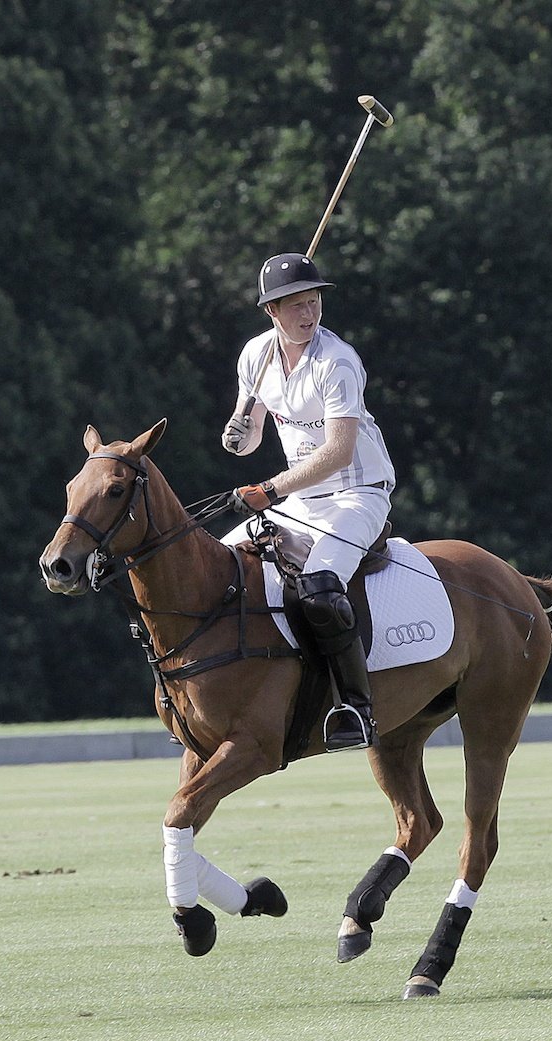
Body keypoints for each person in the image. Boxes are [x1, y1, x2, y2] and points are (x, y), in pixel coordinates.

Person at [221, 252, 395, 752]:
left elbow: (339, 451)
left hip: (357, 494)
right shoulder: (255, 357)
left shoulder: (338, 362)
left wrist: (272, 489)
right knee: (222, 569)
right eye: (295, 305)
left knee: (320, 589)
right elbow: (249, 435)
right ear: (271, 311)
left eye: (313, 301)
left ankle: (356, 710)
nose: (309, 313)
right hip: (299, 498)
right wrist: (237, 434)